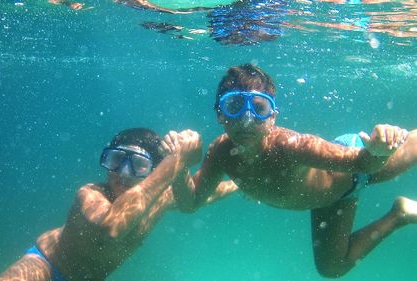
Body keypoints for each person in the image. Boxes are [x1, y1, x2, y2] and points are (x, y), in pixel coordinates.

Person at [163, 64, 417, 278]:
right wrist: (178, 164)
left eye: (259, 108)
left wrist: (380, 150)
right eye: (235, 106)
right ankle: (400, 214)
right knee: (332, 269)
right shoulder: (220, 153)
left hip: (356, 171)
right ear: (220, 114)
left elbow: (363, 163)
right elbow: (190, 202)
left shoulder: (291, 146)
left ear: (273, 116)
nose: (246, 119)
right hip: (330, 201)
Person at [0, 128, 233, 281]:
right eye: (116, 160)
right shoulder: (89, 193)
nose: (123, 173)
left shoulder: (159, 197)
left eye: (138, 165)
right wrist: (176, 161)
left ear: (153, 170)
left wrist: (240, 184)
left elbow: (203, 195)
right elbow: (112, 225)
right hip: (45, 266)